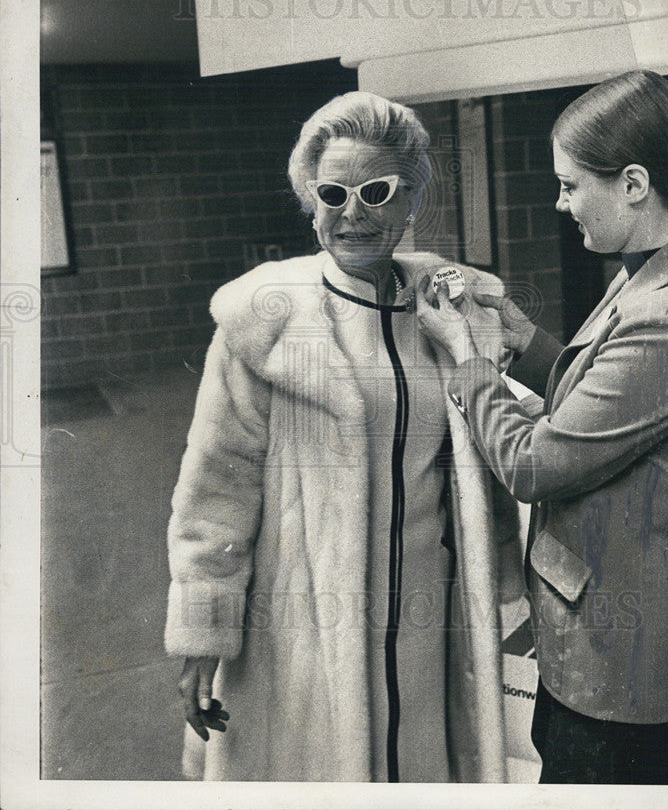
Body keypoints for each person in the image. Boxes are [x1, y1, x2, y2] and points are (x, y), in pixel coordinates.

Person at [415, 70, 668, 785]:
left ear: (633, 183)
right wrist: (521, 340)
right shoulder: (655, 273)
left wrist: (468, 359)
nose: (560, 202)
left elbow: (535, 464)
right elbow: (604, 409)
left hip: (620, 670)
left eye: (571, 185)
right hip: (613, 646)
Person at [164, 90, 525, 782]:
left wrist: (506, 583)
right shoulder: (265, 324)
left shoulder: (458, 312)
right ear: (309, 197)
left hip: (431, 631)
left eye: (375, 191)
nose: (351, 213)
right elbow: (215, 489)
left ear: (412, 200)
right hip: (303, 636)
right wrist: (202, 634)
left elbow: (490, 461)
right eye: (330, 192)